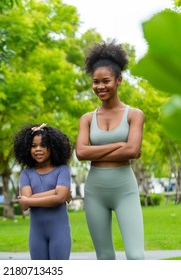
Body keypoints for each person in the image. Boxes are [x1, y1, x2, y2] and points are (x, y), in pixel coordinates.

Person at [75, 41, 145, 260]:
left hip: (125, 188)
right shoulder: (87, 118)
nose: (100, 86)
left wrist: (98, 149)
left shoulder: (134, 114)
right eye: (95, 82)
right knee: (104, 256)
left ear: (119, 80)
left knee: (135, 256)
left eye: (106, 81)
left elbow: (133, 150)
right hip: (95, 190)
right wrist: (118, 145)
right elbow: (81, 154)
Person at [13, 123, 72, 260]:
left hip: (59, 233)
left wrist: (30, 199)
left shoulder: (62, 170)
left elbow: (60, 198)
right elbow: (25, 205)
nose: (38, 149)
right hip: (36, 235)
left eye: (43, 145)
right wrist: (56, 193)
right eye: (33, 146)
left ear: (53, 147)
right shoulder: (26, 174)